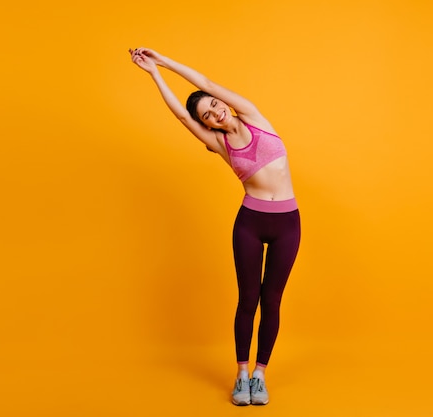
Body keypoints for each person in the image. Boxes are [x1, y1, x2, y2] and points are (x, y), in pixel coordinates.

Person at [129, 47, 301, 406]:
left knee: (272, 300)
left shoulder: (253, 115)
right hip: (250, 223)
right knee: (248, 298)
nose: (216, 112)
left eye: (215, 105)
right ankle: (241, 375)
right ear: (208, 124)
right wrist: (153, 76)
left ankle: (259, 376)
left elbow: (205, 82)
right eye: (208, 115)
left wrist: (162, 60)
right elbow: (181, 117)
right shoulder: (219, 143)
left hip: (287, 223)